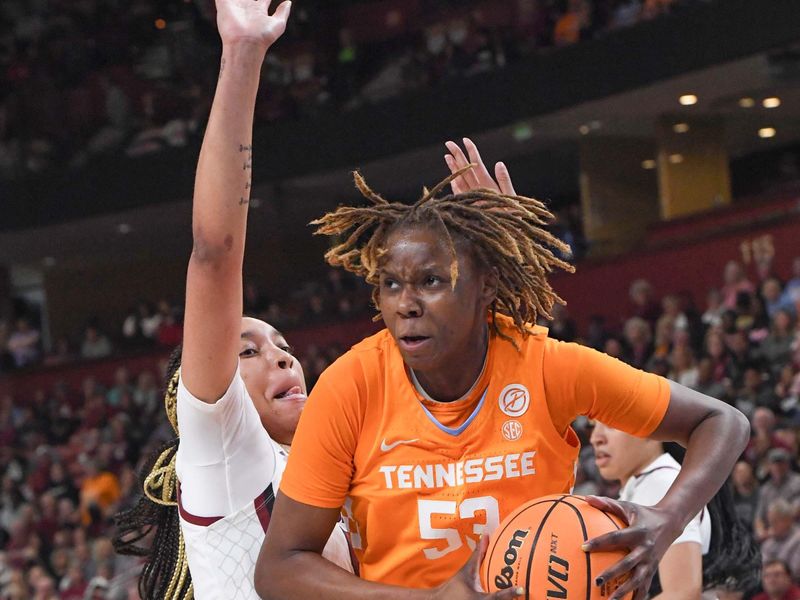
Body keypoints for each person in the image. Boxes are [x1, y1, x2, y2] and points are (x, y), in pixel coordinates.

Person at [255, 137, 750, 600]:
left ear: (486, 287)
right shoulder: (350, 385)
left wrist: (668, 517)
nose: (406, 304)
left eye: (431, 280)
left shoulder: (545, 365)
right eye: (389, 284)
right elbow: (279, 568)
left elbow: (722, 421)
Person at [113, 1, 352, 597]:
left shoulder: (322, 479)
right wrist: (243, 56)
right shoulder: (226, 452)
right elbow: (215, 255)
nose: (283, 358)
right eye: (247, 351)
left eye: (284, 346)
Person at [589, 424, 759, 597]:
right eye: (593, 425)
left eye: (610, 425)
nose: (596, 438)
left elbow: (682, 593)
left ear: (647, 427)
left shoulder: (661, 483)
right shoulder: (646, 484)